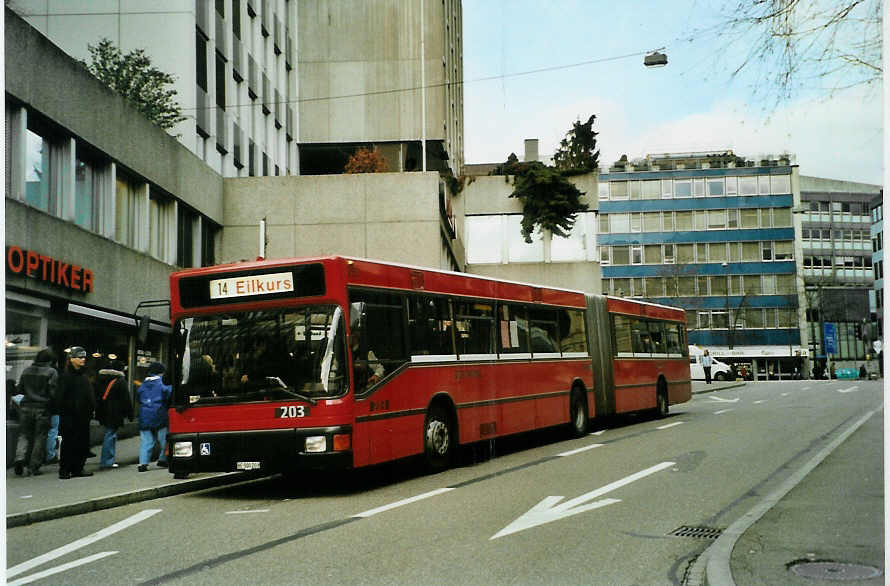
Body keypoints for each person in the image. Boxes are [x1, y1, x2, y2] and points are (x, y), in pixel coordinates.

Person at [12, 348, 58, 476]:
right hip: (42, 408)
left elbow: (20, 389)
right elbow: (53, 392)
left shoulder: (26, 371)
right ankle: (34, 467)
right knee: (40, 436)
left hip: (25, 406)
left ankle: (19, 458)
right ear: (50, 360)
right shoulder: (51, 372)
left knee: (24, 435)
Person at [57, 346, 95, 479]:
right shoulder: (66, 376)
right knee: (69, 444)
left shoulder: (84, 376)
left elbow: (88, 396)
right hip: (70, 416)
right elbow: (61, 397)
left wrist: (91, 409)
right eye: (80, 357)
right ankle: (65, 470)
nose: (83, 359)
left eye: (84, 357)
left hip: (83, 416)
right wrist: (68, 410)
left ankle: (78, 468)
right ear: (71, 359)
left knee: (82, 443)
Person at [95, 359, 133, 469]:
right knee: (110, 435)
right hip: (115, 412)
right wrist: (130, 414)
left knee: (108, 433)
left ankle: (106, 460)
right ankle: (107, 461)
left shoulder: (101, 379)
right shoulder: (120, 381)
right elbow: (126, 399)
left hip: (103, 411)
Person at [137, 362, 172, 472]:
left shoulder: (142, 385)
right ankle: (163, 458)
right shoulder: (162, 383)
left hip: (145, 415)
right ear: (161, 372)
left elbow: (139, 397)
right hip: (159, 414)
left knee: (146, 440)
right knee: (164, 439)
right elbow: (169, 394)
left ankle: (143, 463)